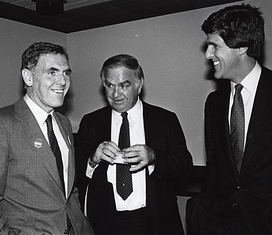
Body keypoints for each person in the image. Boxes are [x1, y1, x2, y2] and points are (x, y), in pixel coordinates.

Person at [186, 4, 272, 235]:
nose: (208, 54)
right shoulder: (214, 102)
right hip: (221, 225)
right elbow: (215, 167)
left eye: (215, 46)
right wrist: (202, 211)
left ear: (241, 47)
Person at [75, 54, 193, 235]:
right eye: (109, 85)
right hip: (105, 223)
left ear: (139, 84)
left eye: (124, 85)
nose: (115, 94)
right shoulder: (91, 122)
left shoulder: (165, 120)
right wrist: (92, 159)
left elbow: (185, 170)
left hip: (154, 222)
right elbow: (71, 174)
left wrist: (154, 157)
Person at [0, 42, 94, 235]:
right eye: (52, 72)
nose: (62, 81)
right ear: (28, 77)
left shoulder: (64, 123)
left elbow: (67, 189)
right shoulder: (1, 124)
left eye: (66, 73)